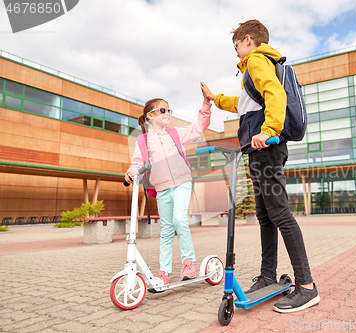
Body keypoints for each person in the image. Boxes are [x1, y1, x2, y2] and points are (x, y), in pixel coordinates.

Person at [201, 19, 320, 313]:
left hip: (266, 147)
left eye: (237, 44)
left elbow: (275, 95)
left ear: (248, 40)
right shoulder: (251, 70)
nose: (236, 50)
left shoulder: (256, 61)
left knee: (279, 213)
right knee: (265, 216)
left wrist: (268, 131)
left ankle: (306, 286)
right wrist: (215, 99)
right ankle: (268, 276)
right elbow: (242, 104)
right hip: (257, 150)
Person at [125, 84, 212, 285]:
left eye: (169, 110)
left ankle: (188, 263)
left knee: (180, 220)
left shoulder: (174, 134)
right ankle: (164, 272)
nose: (167, 113)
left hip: (182, 182)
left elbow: (198, 126)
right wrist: (131, 172)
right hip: (161, 188)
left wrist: (206, 103)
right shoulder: (143, 141)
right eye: (162, 110)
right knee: (165, 229)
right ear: (149, 116)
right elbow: (137, 163)